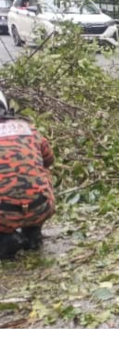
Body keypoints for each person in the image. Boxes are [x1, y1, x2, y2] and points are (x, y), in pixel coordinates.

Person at [0, 89, 56, 259]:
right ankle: (32, 231)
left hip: (3, 214)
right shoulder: (29, 129)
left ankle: (5, 238)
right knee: (41, 171)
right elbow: (49, 160)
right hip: (41, 206)